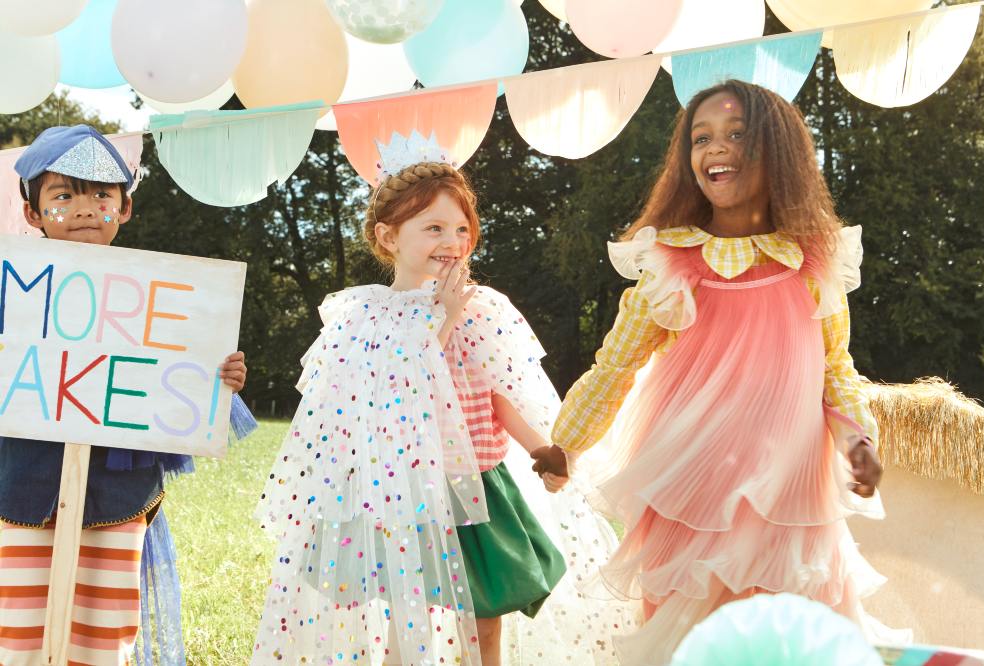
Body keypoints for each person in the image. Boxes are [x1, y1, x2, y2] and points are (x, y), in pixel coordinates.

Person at [530, 81, 911, 663]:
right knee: (695, 635)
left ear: (777, 154)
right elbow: (616, 365)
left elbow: (835, 369)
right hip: (695, 491)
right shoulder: (670, 265)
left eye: (737, 134)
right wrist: (566, 443)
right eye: (701, 138)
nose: (716, 148)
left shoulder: (811, 265)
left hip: (788, 491)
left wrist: (857, 439)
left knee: (788, 634)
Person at [252, 132, 634, 666]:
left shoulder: (484, 308)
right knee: (407, 623)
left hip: (478, 483)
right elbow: (393, 385)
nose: (451, 241)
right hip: (399, 491)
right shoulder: (369, 315)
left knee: (485, 615)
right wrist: (444, 314)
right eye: (433, 228)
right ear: (389, 237)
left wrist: (540, 447)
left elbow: (497, 392)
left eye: (461, 228)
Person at [0, 125, 253, 665]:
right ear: (33, 213)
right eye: (63, 194)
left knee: (104, 632)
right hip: (19, 488)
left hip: (116, 497)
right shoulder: (11, 287)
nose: (86, 207)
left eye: (102, 194)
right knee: (16, 629)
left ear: (126, 207)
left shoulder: (159, 292)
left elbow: (182, 374)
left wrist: (220, 375)